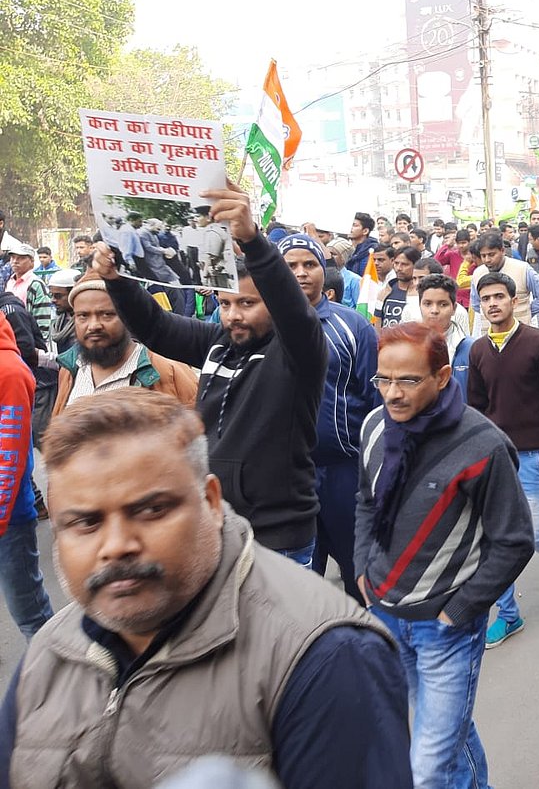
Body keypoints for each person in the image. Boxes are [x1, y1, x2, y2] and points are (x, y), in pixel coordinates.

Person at [0, 389, 413, 789]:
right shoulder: (48, 655)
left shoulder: (327, 658)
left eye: (152, 510)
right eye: (86, 523)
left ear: (211, 502)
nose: (116, 545)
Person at [91, 181, 327, 562]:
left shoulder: (298, 351)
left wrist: (252, 240)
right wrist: (117, 282)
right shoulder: (218, 341)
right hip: (214, 526)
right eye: (225, 303)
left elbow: (294, 312)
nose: (233, 315)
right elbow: (155, 328)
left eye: (247, 303)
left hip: (277, 538)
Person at [355, 323, 533, 788]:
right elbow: (366, 500)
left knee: (426, 768)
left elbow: (515, 540)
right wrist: (361, 571)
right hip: (386, 614)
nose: (392, 393)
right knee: (445, 727)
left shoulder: (483, 444)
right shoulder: (374, 426)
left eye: (408, 380)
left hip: (445, 630)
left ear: (442, 377)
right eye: (383, 379)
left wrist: (459, 610)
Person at [468, 272, 539, 647]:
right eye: (486, 299)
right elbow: (475, 409)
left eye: (499, 296)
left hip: (533, 455)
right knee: (496, 539)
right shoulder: (478, 350)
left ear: (514, 301)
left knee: (535, 534)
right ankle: (508, 615)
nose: (493, 304)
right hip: (494, 458)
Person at [278, 234, 378, 601]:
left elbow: (374, 401)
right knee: (296, 584)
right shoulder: (264, 327)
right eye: (291, 265)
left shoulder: (354, 327)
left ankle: (364, 633)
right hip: (285, 475)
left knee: (358, 572)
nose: (301, 273)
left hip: (344, 472)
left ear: (325, 269)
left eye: (309, 264)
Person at [50, 271, 198, 416]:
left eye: (107, 314)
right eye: (83, 316)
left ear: (128, 316)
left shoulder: (168, 371)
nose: (93, 325)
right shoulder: (70, 369)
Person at [0, 312, 54, 639]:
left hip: (9, 520)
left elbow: (10, 456)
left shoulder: (9, 370)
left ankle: (56, 669)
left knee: (31, 616)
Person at [469, 232, 539, 333]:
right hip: (490, 334)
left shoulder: (522, 269)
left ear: (502, 251)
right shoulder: (478, 273)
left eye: (491, 255)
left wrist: (527, 311)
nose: (487, 260)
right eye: (483, 256)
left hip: (519, 333)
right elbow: (476, 304)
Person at [377, 246, 421, 328]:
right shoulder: (387, 290)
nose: (398, 268)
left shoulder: (421, 293)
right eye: (396, 263)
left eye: (404, 264)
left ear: (415, 265)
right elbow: (377, 319)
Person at [345, 211, 377, 275]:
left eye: (354, 225)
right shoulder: (347, 250)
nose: (350, 228)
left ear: (365, 231)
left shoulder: (373, 251)